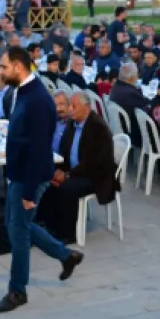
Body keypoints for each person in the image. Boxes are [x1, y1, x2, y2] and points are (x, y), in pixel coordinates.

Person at [0, 47, 84, 314]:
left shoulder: (39, 100)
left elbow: (40, 150)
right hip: (19, 173)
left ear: (19, 67)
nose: (1, 71)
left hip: (30, 176)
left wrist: (30, 192)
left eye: (4, 67)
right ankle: (66, 255)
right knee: (16, 226)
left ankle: (17, 290)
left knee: (18, 232)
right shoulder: (22, 90)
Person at [36, 91, 119, 244]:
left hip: (95, 176)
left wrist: (67, 175)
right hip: (76, 171)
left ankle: (68, 233)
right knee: (48, 180)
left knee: (66, 187)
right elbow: (65, 151)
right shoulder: (72, 124)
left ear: (86, 107)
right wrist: (60, 171)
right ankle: (49, 223)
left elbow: (94, 163)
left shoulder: (97, 127)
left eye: (74, 106)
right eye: (70, 106)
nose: (70, 109)